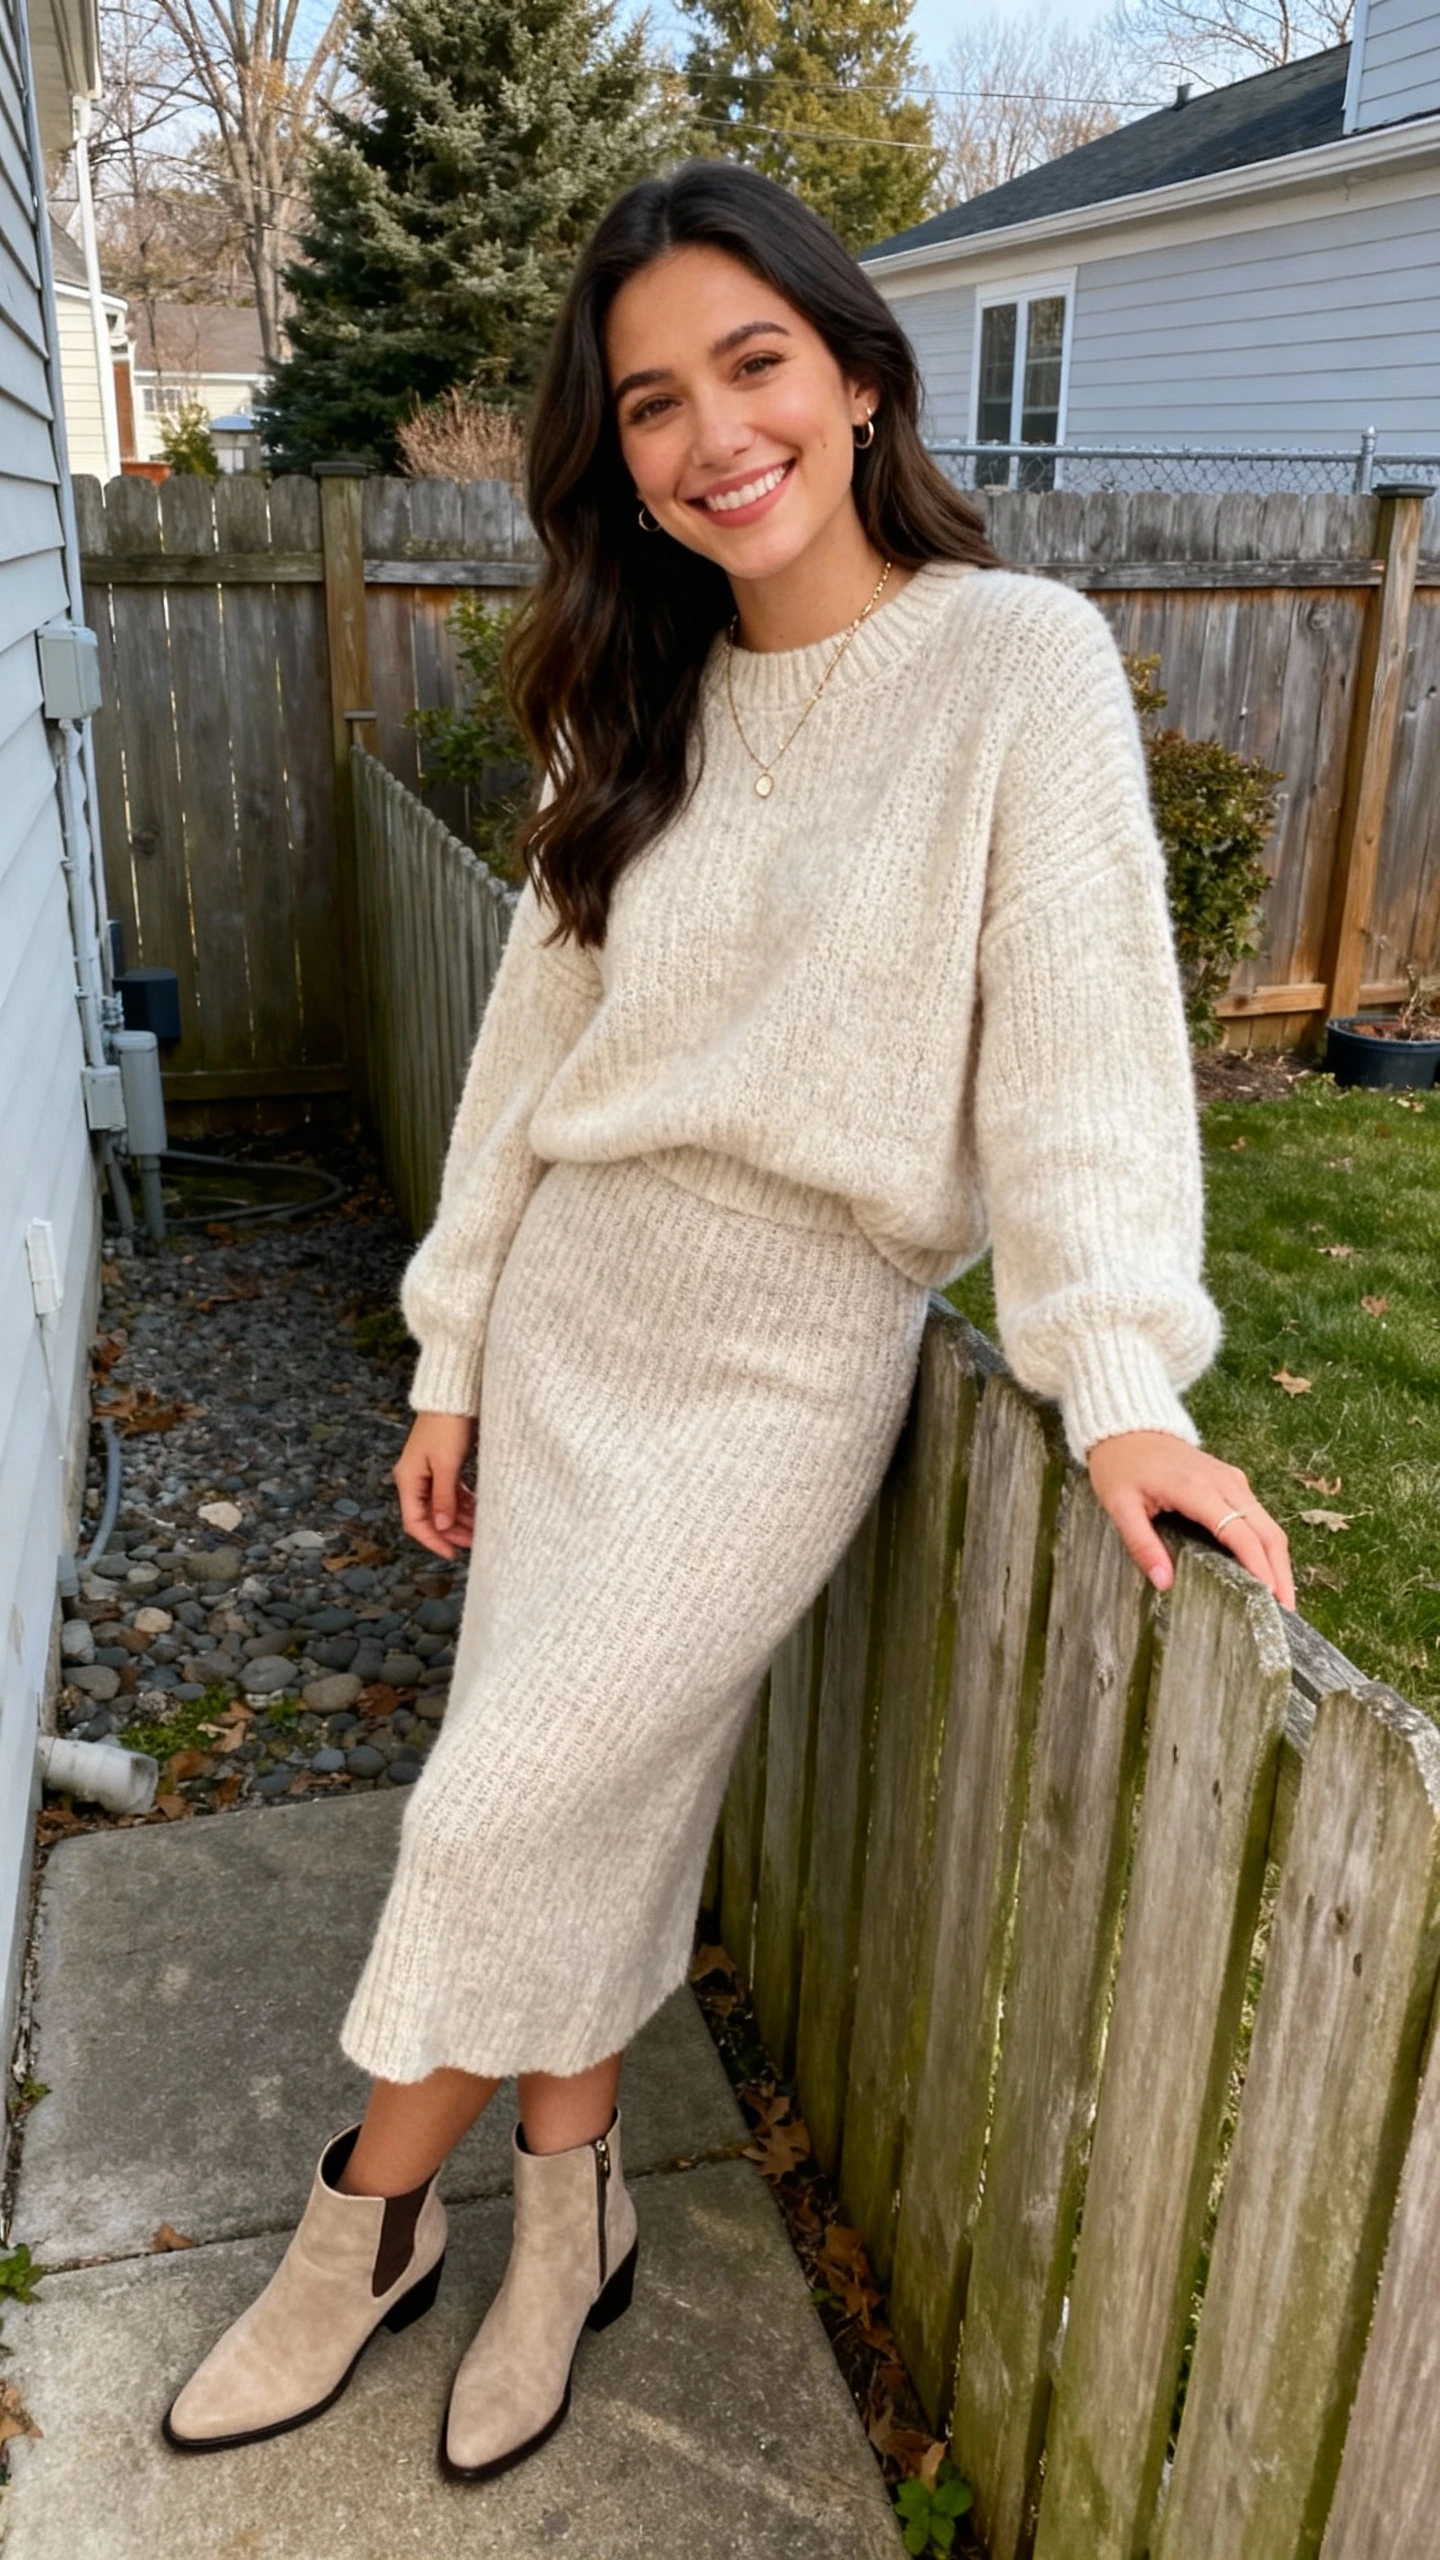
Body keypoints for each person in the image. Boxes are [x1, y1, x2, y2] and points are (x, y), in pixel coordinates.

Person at [161, 158, 1293, 2481]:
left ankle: (361, 2220)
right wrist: (455, 1345)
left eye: (751, 364)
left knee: (504, 1797)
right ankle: (566, 2203)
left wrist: (1119, 1381)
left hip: (785, 1364)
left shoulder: (1016, 665)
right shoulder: (635, 691)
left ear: (860, 376)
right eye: (652, 400)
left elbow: (1080, 1048)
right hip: (579, 1315)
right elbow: (527, 1056)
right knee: (599, 1791)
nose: (710, 436)